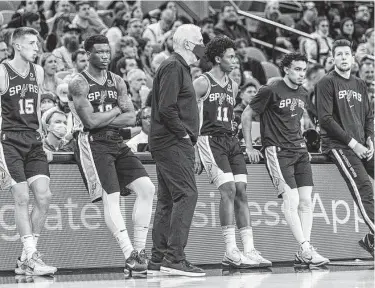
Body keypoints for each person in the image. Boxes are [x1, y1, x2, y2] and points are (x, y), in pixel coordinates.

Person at [68, 34, 156, 274]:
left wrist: (109, 116)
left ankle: (139, 250)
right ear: (87, 55)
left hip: (116, 141)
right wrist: (117, 108)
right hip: (92, 142)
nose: (105, 56)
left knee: (147, 188)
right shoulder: (79, 83)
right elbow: (90, 121)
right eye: (99, 52)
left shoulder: (117, 80)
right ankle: (129, 254)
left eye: (107, 51)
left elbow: (132, 116)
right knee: (112, 196)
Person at [242, 52, 330, 267]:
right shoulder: (270, 89)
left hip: (299, 151)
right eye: (297, 69)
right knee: (291, 202)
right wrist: (250, 146)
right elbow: (246, 114)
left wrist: (301, 142)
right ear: (286, 69)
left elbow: (297, 120)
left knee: (307, 201)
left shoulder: (302, 92)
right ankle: (306, 248)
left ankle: (305, 249)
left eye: (303, 70)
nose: (301, 74)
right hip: (277, 151)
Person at [193, 36, 271, 269]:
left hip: (230, 140)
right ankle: (230, 249)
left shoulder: (233, 86)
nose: (235, 61)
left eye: (235, 56)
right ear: (218, 58)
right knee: (227, 189)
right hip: (210, 140)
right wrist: (195, 150)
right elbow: (192, 117)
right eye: (230, 57)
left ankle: (249, 249)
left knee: (241, 191)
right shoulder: (202, 82)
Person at [148, 24, 206, 277]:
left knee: (168, 199)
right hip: (172, 140)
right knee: (186, 194)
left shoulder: (177, 66)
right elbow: (167, 107)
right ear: (188, 44)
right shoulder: (174, 66)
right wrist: (183, 134)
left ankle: (158, 259)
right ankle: (175, 257)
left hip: (167, 140)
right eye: (200, 40)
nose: (204, 44)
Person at [0, 27, 56, 275]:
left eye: (38, 43)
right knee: (21, 197)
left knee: (44, 197)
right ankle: (32, 257)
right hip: (9, 140)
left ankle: (26, 258)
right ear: (17, 46)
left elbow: (34, 109)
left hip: (33, 139)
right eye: (32, 43)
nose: (37, 48)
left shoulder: (39, 71)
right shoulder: (2, 72)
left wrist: (42, 137)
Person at [316, 39, 374, 258]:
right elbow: (325, 119)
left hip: (363, 145)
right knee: (365, 188)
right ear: (333, 58)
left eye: (346, 54)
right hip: (339, 145)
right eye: (338, 54)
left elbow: (369, 115)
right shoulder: (326, 82)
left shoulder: (359, 84)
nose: (343, 58)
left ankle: (372, 241)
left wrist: (370, 140)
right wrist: (354, 144)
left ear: (353, 58)